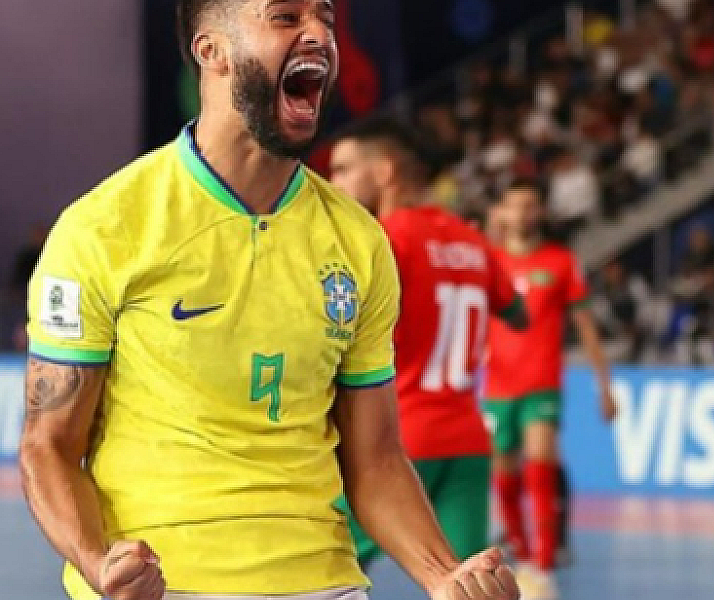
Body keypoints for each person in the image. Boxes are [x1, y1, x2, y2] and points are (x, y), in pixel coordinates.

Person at [18, 2, 519, 600]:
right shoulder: (104, 227)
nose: (319, 34)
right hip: (162, 584)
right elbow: (49, 445)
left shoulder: (358, 242)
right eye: (285, 16)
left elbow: (377, 459)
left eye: (325, 18)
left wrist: (445, 577)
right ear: (212, 51)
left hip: (325, 584)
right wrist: (100, 564)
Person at [328, 118, 527, 567]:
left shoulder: (384, 241)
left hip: (393, 445)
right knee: (468, 584)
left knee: (325, 575)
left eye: (343, 170)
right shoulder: (474, 241)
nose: (332, 182)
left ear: (383, 173)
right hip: (467, 443)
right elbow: (518, 314)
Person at [484, 179, 617, 600]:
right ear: (502, 213)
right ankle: (520, 553)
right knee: (503, 473)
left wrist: (604, 386)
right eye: (515, 206)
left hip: (541, 384)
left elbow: (586, 327)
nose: (523, 214)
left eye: (530, 206)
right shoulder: (488, 261)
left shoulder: (560, 262)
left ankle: (542, 566)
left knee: (540, 465)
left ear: (540, 213)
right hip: (497, 386)